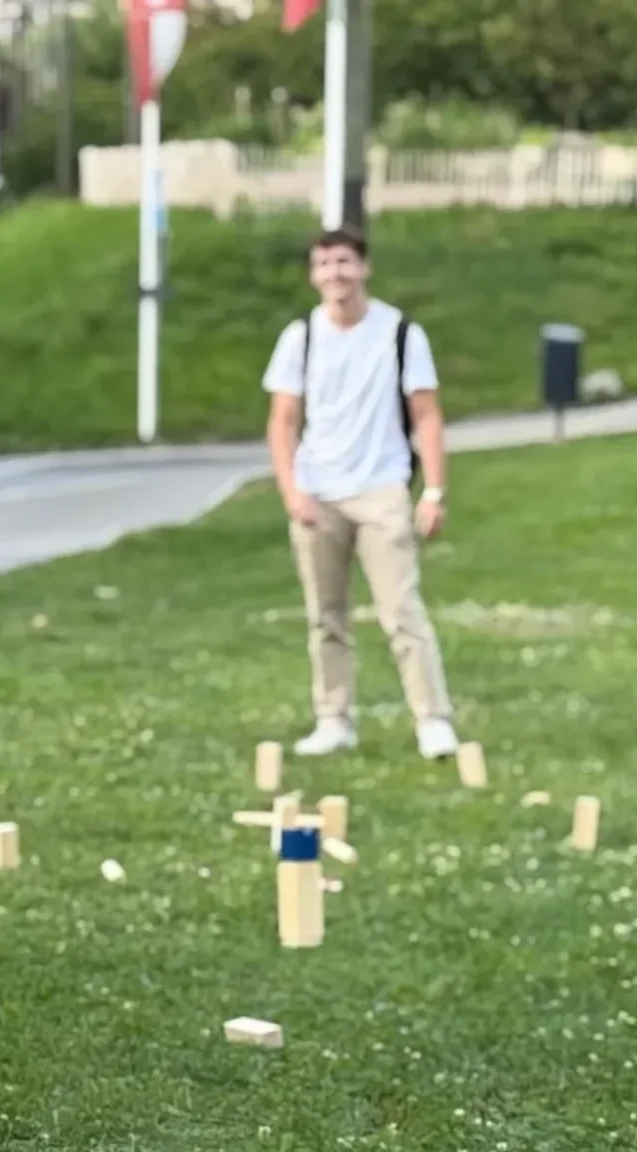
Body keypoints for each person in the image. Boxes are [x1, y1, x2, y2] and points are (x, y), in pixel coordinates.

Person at [262, 226, 460, 761]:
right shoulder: (300, 337)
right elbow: (282, 420)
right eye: (324, 265)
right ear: (313, 275)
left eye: (344, 262)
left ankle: (432, 720)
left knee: (402, 610)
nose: (335, 274)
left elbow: (426, 413)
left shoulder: (400, 333)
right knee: (326, 615)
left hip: (381, 488)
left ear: (364, 268)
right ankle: (334, 719)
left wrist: (434, 490)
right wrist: (291, 492)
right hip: (317, 493)